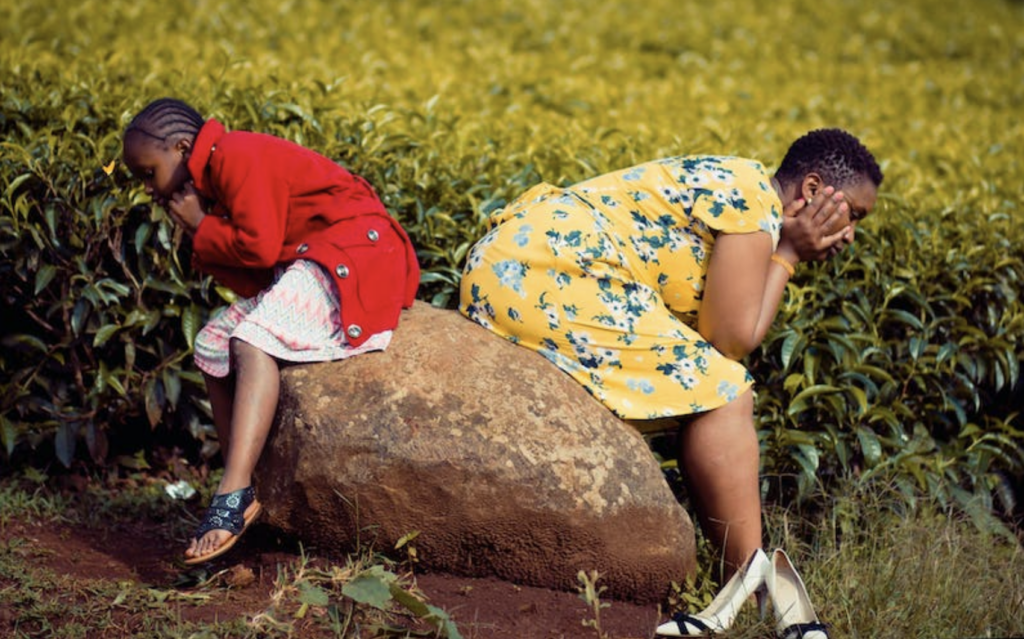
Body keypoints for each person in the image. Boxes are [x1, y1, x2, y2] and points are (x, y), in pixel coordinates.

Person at [459, 129, 881, 637]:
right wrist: (787, 255)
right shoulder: (753, 202)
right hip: (546, 272)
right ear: (812, 190)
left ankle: (748, 585)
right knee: (727, 392)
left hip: (516, 261)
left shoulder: (740, 182)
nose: (850, 234)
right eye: (854, 215)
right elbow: (730, 338)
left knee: (712, 381)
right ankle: (749, 588)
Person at [122, 98, 420, 565]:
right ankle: (246, 485)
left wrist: (202, 225)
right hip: (314, 258)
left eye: (148, 172)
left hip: (354, 252)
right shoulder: (212, 175)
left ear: (180, 148)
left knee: (250, 340)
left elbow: (258, 250)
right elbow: (259, 273)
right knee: (212, 342)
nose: (147, 188)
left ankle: (232, 489)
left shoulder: (235, 154)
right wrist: (203, 227)